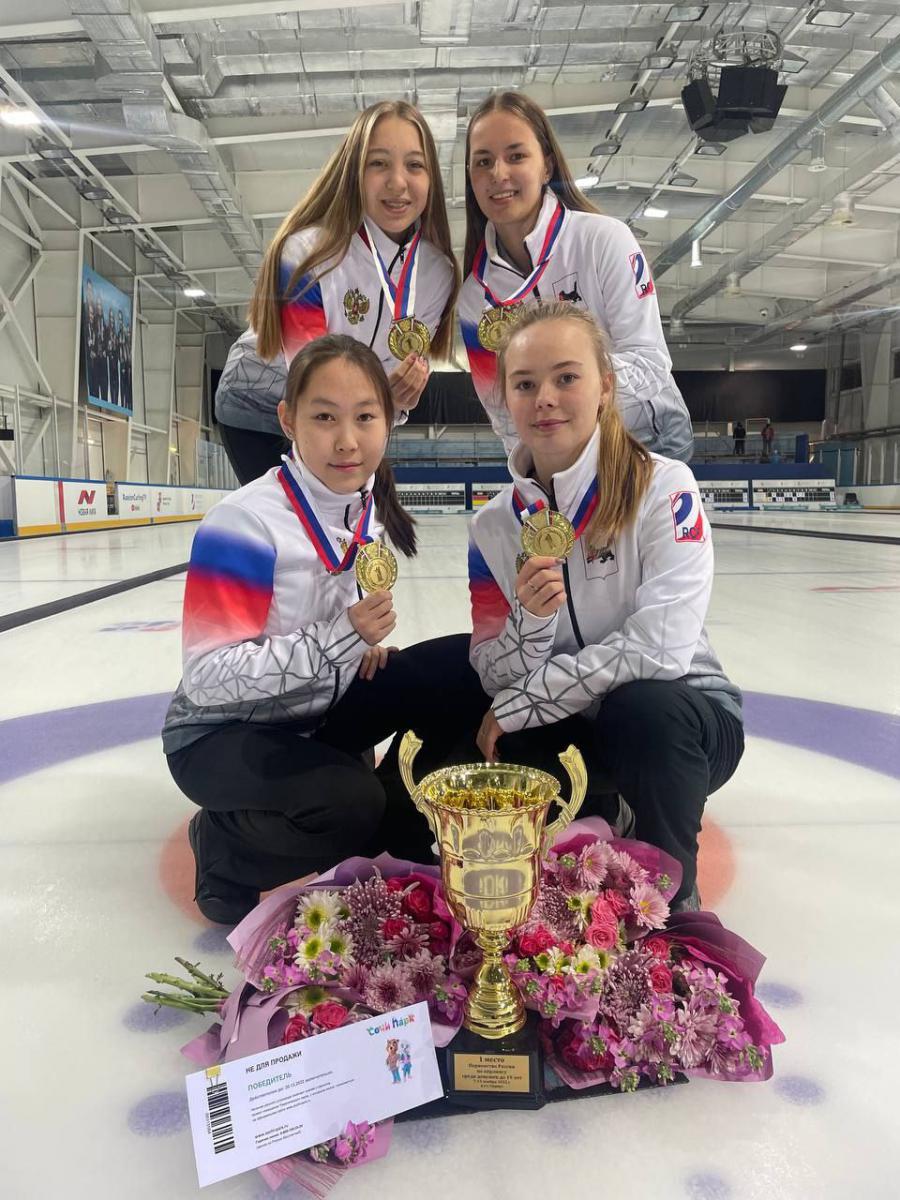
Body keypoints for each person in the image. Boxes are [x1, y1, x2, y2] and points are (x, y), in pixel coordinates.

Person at [164, 335, 484, 924]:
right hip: (224, 731)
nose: (347, 440)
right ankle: (224, 847)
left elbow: (338, 608)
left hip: (318, 712)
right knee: (348, 805)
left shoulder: (364, 508)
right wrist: (338, 640)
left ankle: (396, 823)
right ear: (288, 420)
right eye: (324, 417)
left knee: (467, 666)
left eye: (365, 417)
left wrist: (357, 651)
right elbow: (207, 679)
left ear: (387, 421)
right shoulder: (243, 522)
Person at [466, 303, 743, 910]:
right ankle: (589, 828)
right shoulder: (491, 528)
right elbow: (489, 668)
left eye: (566, 377)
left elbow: (661, 647)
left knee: (642, 709)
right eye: (525, 384)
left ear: (605, 388)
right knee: (501, 736)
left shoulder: (664, 486)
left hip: (682, 725)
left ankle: (673, 899)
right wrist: (530, 627)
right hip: (579, 729)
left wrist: (531, 698)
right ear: (506, 400)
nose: (545, 398)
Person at [215, 99, 459, 484]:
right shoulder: (306, 254)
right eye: (378, 163)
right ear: (354, 172)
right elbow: (311, 380)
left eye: (415, 165)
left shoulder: (437, 274)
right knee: (297, 515)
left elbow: (390, 375)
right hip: (258, 405)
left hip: (342, 414)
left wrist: (394, 400)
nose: (398, 182)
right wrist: (381, 399)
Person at [458, 91, 693, 463]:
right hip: (558, 454)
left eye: (516, 156)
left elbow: (650, 365)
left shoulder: (604, 240)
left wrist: (567, 384)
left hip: (645, 439)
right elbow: (502, 411)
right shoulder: (476, 298)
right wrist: (530, 470)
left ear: (546, 166)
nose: (498, 174)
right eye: (483, 162)